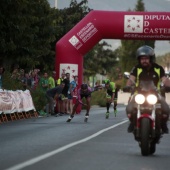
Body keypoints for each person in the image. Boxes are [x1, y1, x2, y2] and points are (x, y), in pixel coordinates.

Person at [124, 45, 170, 133]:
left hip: (155, 93)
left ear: (150, 58)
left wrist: (168, 85)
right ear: (139, 59)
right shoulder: (136, 68)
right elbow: (131, 79)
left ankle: (163, 124)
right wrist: (128, 86)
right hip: (139, 93)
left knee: (166, 109)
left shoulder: (158, 68)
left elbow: (165, 79)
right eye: (142, 59)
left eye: (146, 58)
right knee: (129, 108)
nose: (144, 61)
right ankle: (133, 123)